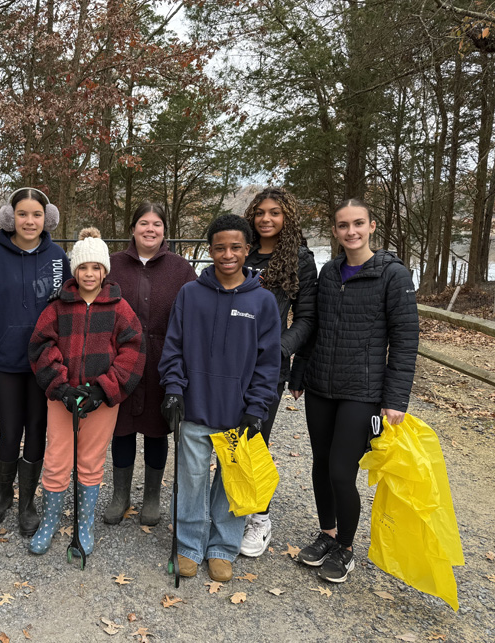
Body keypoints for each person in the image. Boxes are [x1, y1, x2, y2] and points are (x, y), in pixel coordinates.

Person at [294, 198, 418, 583]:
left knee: (341, 471)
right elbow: (312, 325)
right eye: (343, 225)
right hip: (320, 386)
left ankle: (346, 547)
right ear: (335, 231)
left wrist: (395, 399)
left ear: (372, 227)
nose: (351, 231)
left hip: (362, 391)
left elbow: (404, 338)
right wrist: (299, 373)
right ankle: (327, 533)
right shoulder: (329, 273)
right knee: (319, 465)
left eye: (358, 224)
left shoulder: (392, 275)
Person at [159, 214, 280, 583]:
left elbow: (268, 361)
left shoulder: (262, 301)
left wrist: (256, 407)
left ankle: (222, 547)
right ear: (210, 250)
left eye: (235, 247)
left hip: (236, 413)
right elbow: (174, 346)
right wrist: (174, 389)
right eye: (219, 247)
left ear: (247, 250)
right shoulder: (190, 294)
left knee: (230, 483)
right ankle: (189, 545)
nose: (227, 254)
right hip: (194, 407)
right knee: (192, 480)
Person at [27, 227, 145, 556]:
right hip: (63, 398)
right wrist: (61, 386)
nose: (89, 274)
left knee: (91, 461)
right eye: (82, 268)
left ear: (104, 271)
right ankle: (50, 521)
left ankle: (84, 524)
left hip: (101, 401)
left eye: (95, 268)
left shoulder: (119, 309)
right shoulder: (59, 307)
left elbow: (132, 352)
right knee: (56, 460)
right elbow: (41, 346)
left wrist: (102, 389)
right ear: (74, 270)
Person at [0, 188, 71, 536]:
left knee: (37, 430)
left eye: (37, 215)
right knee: (11, 430)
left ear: (48, 218)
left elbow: (70, 310)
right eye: (23, 214)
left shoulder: (58, 257)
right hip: (5, 362)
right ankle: (2, 495)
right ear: (11, 218)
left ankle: (27, 500)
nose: (30, 221)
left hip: (45, 364)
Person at [105, 202, 196, 527]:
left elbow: (193, 314)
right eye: (143, 222)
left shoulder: (180, 268)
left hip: (163, 359)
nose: (150, 229)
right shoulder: (113, 265)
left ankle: (153, 497)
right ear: (132, 228)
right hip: (121, 360)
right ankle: (120, 495)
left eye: (156, 224)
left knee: (158, 430)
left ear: (164, 231)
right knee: (123, 429)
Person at [239, 187, 317, 557]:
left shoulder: (299, 259)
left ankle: (259, 517)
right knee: (228, 438)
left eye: (275, 212)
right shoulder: (240, 251)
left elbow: (306, 319)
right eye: (259, 212)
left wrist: (279, 351)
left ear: (287, 217)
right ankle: (231, 507)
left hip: (268, 366)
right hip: (229, 363)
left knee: (255, 441)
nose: (266, 219)